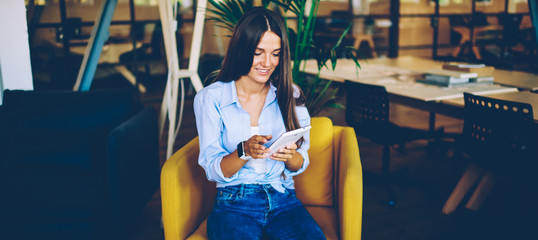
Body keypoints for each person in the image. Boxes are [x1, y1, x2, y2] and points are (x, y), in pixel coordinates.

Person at [193, 7, 326, 240]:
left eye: (275, 53)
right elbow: (213, 170)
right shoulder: (210, 98)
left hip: (283, 198)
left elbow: (300, 162)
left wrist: (290, 156)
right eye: (258, 52)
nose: (268, 62)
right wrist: (244, 151)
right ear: (242, 50)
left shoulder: (291, 94)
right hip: (234, 203)